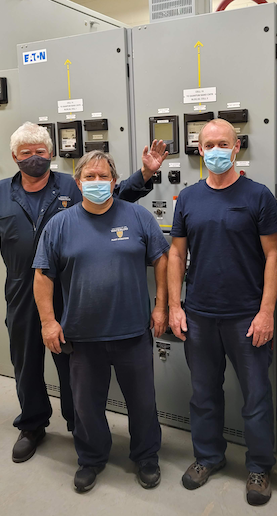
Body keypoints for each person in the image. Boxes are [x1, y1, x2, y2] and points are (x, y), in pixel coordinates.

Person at [0, 122, 168, 464]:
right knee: (25, 360)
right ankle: (32, 425)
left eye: (40, 152)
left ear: (52, 154)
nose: (34, 158)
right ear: (14, 156)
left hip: (72, 292)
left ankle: (78, 425)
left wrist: (145, 174)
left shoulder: (72, 186)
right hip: (23, 288)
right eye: (25, 153)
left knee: (73, 367)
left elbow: (114, 198)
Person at [33, 150, 169, 493]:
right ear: (78, 183)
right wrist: (49, 322)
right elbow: (43, 276)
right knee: (86, 405)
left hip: (133, 332)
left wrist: (161, 306)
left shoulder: (138, 217)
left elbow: (162, 260)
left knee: (142, 401)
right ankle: (91, 458)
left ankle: (146, 455)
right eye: (89, 177)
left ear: (114, 181)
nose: (97, 182)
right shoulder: (60, 225)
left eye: (103, 176)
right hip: (82, 334)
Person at [168, 119, 277, 506]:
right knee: (203, 395)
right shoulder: (188, 199)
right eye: (209, 144)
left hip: (246, 316)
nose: (216, 150)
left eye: (224, 143)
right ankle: (208, 457)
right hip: (199, 315)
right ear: (200, 150)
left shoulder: (258, 196)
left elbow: (273, 256)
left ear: (237, 148)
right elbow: (176, 254)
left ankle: (259, 467)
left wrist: (267, 312)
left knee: (255, 396)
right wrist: (173, 306)